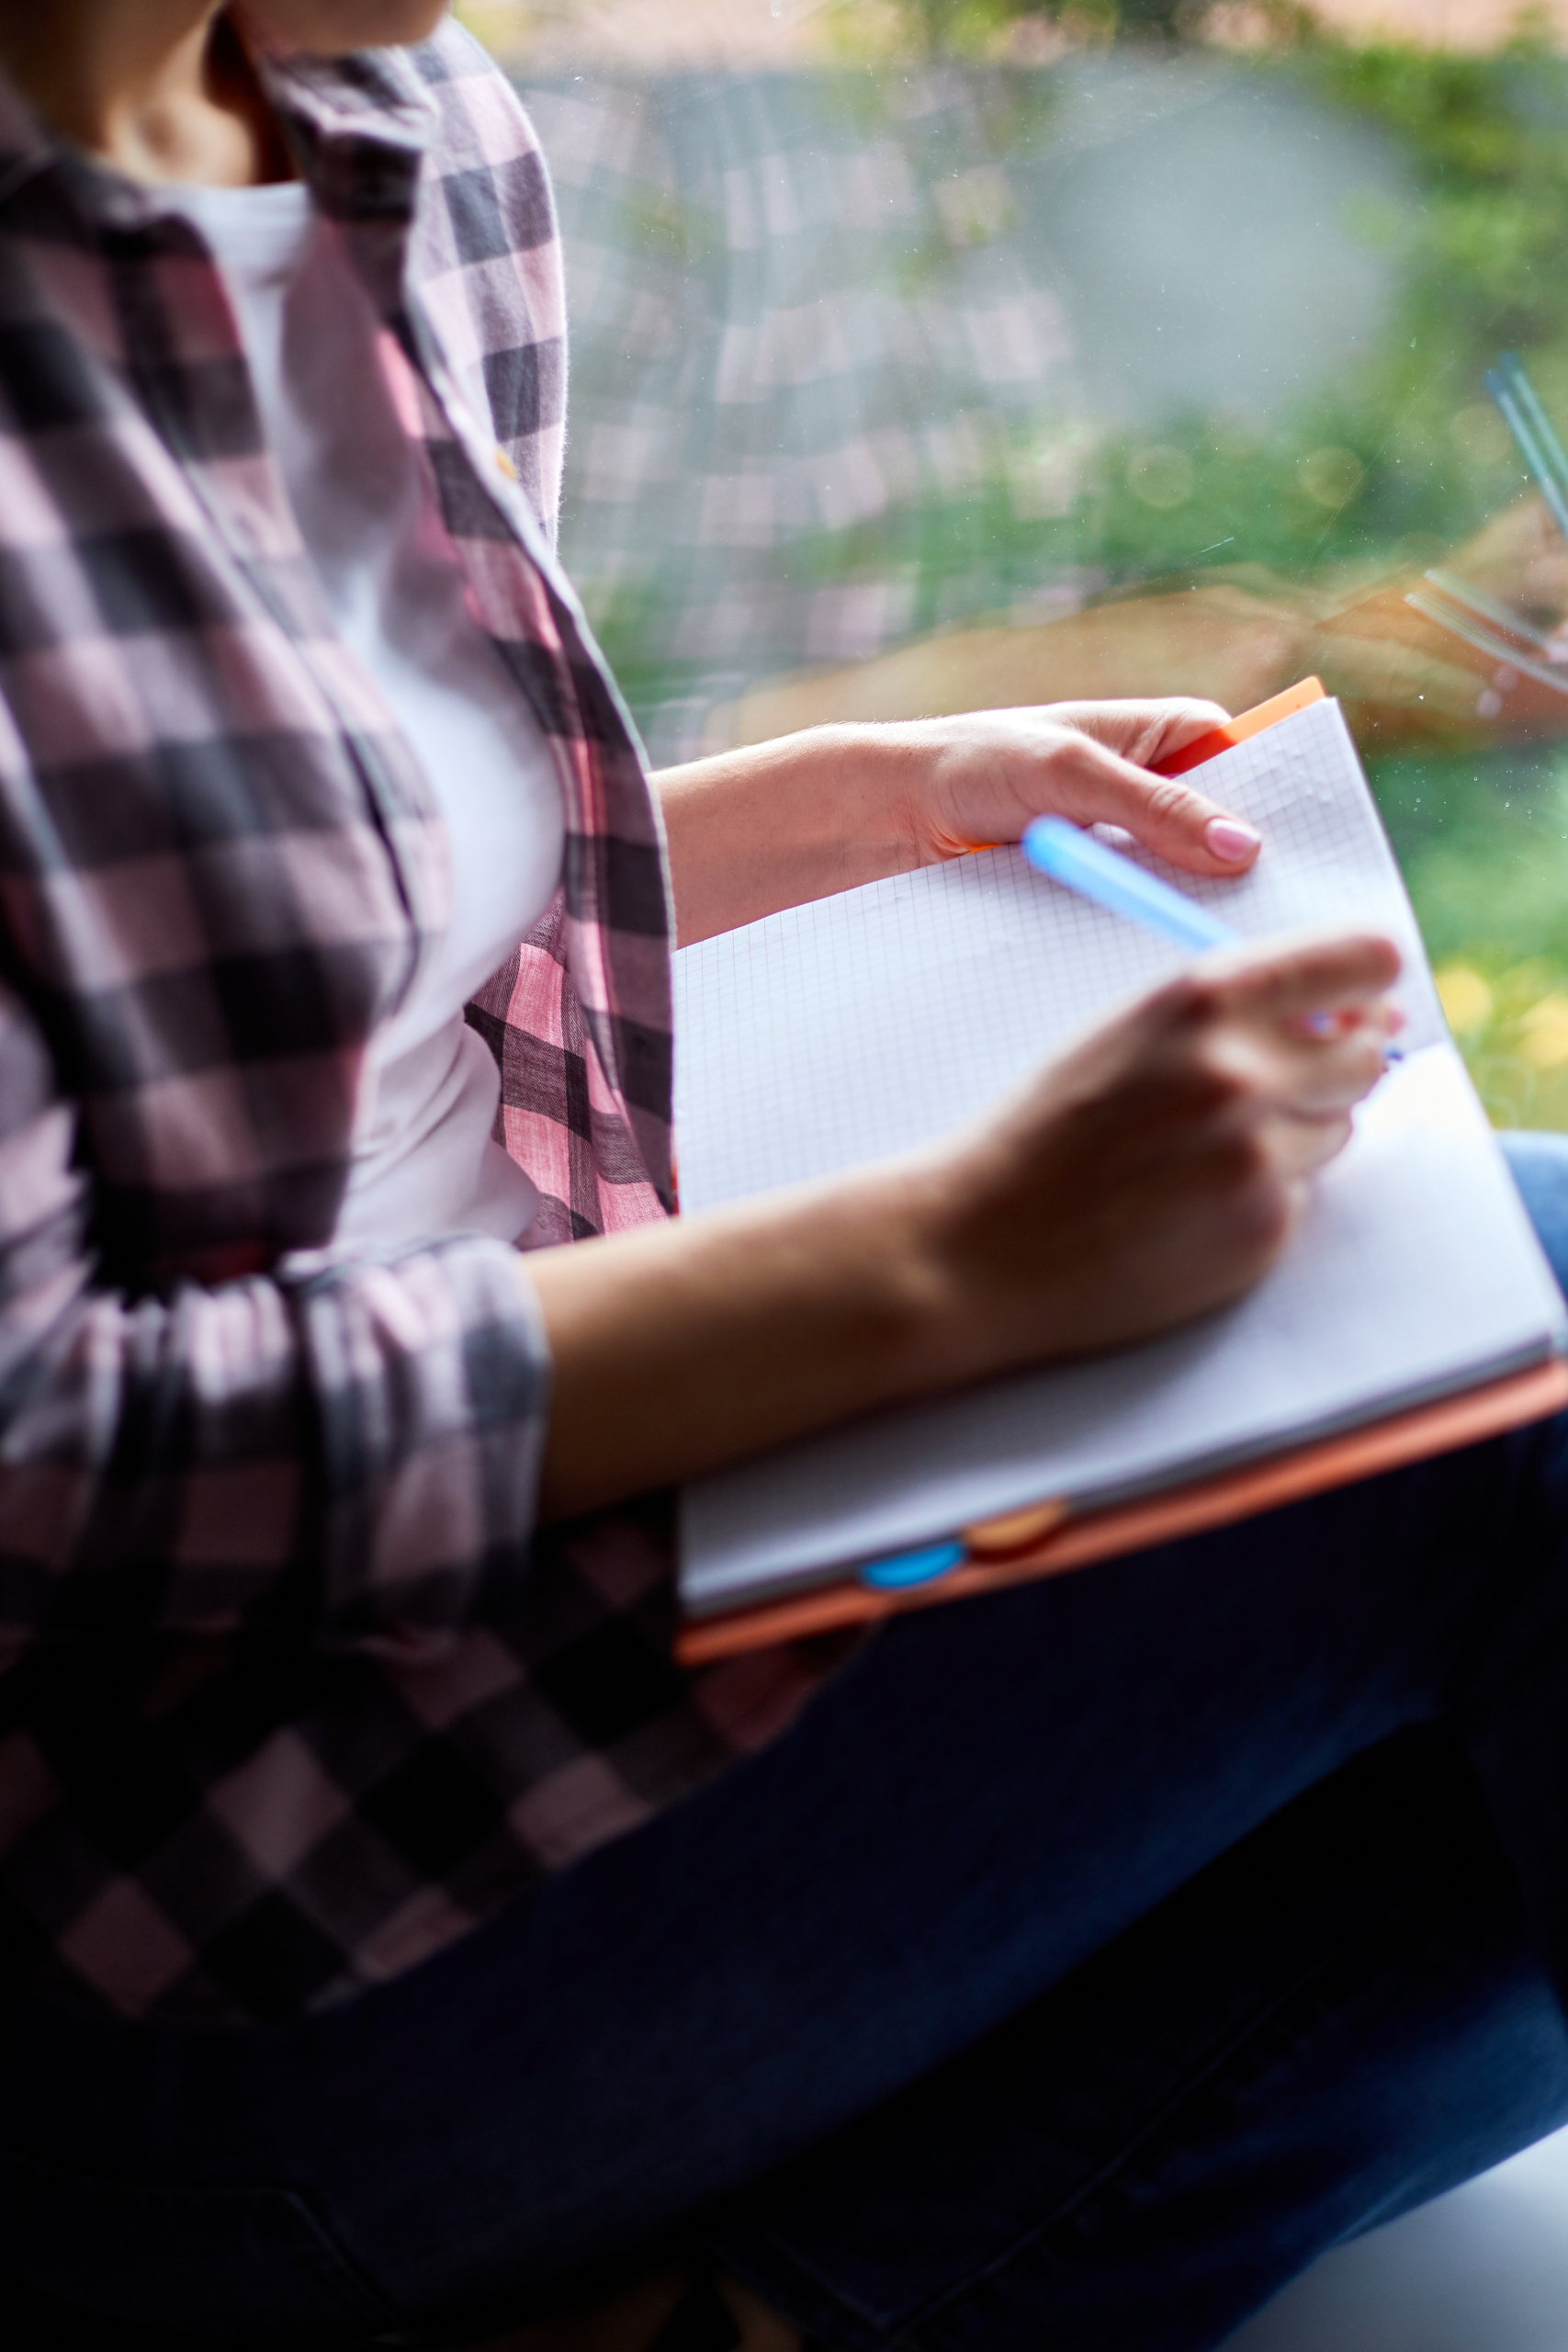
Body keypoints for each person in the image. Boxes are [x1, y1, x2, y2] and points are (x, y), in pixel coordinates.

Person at [1, 6, 1568, 2349]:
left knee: (1469, 1324)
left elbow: (325, 910)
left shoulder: (387, 129)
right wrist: (951, 1262)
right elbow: (54, 1453)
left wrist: (850, 802)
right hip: (172, 1919)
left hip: (534, 1493)